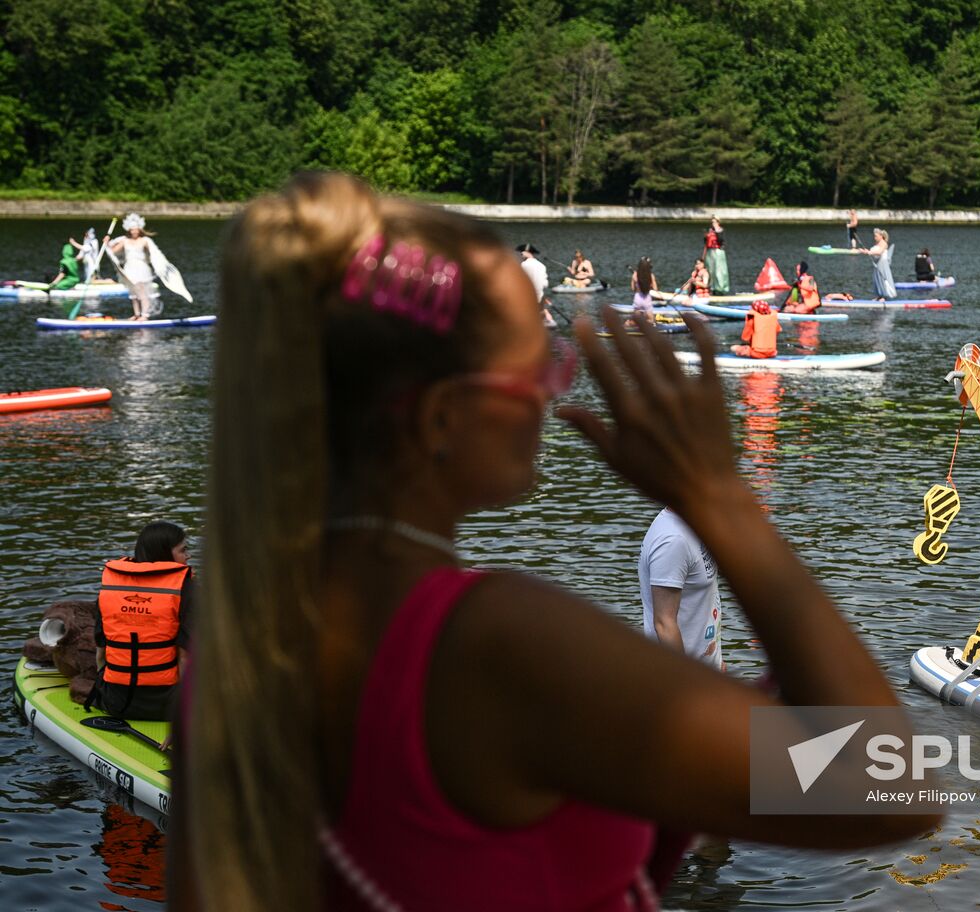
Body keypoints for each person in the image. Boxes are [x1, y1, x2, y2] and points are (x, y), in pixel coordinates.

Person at [173, 172, 934, 911]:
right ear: (442, 418)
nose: (556, 386)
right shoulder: (497, 641)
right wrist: (718, 498)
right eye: (535, 366)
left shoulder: (242, 647)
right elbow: (887, 787)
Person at [90, 521, 194, 722]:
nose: (188, 556)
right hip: (167, 707)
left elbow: (100, 652)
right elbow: (185, 658)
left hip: (116, 703)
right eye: (183, 550)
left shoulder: (111, 588)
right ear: (164, 553)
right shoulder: (187, 589)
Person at [639, 508, 721, 667]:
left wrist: (717, 661)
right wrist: (686, 678)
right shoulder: (672, 540)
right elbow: (664, 624)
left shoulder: (694, 525)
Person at [103, 213, 158, 319]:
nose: (134, 232)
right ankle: (136, 314)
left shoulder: (145, 241)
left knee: (142, 291)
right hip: (130, 268)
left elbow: (154, 253)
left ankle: (145, 315)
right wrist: (107, 243)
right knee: (133, 292)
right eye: (132, 230)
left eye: (136, 229)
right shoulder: (125, 241)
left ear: (139, 230)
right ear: (129, 230)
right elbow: (112, 251)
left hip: (142, 268)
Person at [516, 243, 552, 326]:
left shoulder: (524, 265)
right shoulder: (542, 266)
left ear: (527, 252)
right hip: (540, 297)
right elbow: (545, 284)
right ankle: (547, 317)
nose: (521, 254)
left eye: (522, 252)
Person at [860, 228, 896, 301]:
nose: (874, 238)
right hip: (877, 264)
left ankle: (884, 296)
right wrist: (864, 251)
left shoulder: (884, 243)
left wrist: (869, 252)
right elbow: (872, 252)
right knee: (876, 279)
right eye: (874, 236)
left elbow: (879, 252)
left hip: (883, 264)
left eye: (876, 236)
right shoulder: (877, 243)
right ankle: (879, 295)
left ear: (881, 236)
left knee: (882, 279)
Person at [703, 216, 730, 295]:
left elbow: (721, 241)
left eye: (714, 222)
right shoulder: (709, 231)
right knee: (710, 270)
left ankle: (721, 288)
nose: (713, 224)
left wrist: (716, 231)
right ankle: (711, 287)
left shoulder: (720, 231)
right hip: (710, 252)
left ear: (718, 222)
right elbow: (706, 242)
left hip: (718, 252)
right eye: (712, 222)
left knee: (719, 270)